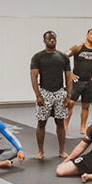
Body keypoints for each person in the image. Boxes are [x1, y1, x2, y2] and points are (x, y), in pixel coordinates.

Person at [31, 30, 71, 159]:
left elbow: (68, 77)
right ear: (44, 40)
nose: (52, 40)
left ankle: (62, 151)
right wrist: (38, 95)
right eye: (49, 38)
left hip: (59, 92)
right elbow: (34, 77)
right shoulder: (38, 57)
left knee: (60, 122)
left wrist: (68, 96)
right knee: (41, 122)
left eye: (54, 38)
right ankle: (40, 151)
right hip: (45, 92)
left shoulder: (63, 57)